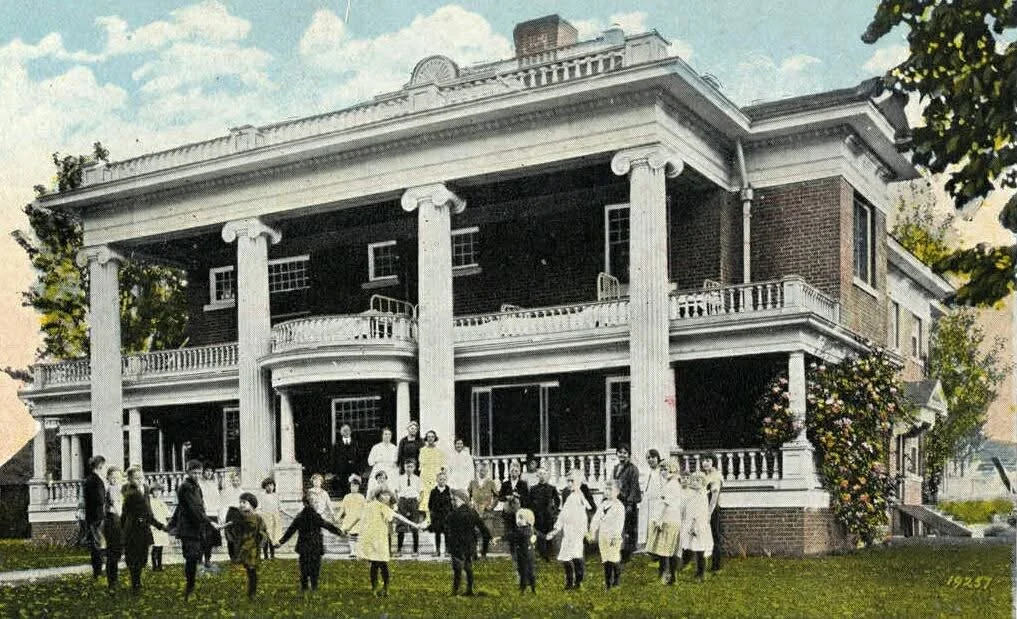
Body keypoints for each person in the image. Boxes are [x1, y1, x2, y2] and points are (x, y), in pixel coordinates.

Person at [341, 486, 425, 597]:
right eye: (386, 495)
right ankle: (384, 588)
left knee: (375, 565)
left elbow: (357, 517)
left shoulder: (369, 506)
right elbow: (398, 516)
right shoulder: (381, 507)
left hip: (371, 539)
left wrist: (347, 527)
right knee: (382, 564)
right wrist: (414, 524)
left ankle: (376, 588)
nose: (388, 497)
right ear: (380, 495)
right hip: (379, 540)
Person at [277, 490, 344, 594]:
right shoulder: (315, 516)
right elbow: (327, 525)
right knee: (315, 569)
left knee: (304, 569)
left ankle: (305, 588)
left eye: (317, 502)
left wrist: (281, 542)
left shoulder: (300, 516)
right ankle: (314, 587)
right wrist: (339, 532)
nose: (316, 504)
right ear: (306, 503)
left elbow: (291, 530)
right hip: (315, 547)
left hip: (304, 547)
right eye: (314, 502)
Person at [176, 459, 218, 601]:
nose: (197, 475)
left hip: (195, 527)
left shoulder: (195, 486)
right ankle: (189, 589)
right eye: (194, 473)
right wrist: (210, 522)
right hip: (189, 529)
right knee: (191, 558)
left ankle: (190, 587)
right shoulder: (186, 487)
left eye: (199, 473)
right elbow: (193, 509)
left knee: (193, 558)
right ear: (187, 472)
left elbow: (191, 508)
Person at [121, 466, 165, 594]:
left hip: (144, 526)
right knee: (135, 556)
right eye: (136, 478)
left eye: (142, 477)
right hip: (134, 527)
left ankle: (137, 580)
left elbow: (148, 509)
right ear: (129, 479)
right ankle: (135, 582)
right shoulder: (131, 493)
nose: (140, 480)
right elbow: (142, 512)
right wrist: (160, 526)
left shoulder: (145, 489)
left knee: (142, 555)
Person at [546, 470, 592, 590]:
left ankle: (579, 582)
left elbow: (583, 516)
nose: (570, 483)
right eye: (568, 481)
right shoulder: (569, 496)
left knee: (576, 557)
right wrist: (556, 529)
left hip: (577, 532)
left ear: (579, 482)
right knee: (565, 558)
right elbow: (563, 515)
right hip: (568, 532)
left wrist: (584, 531)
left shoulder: (580, 497)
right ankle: (569, 581)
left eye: (573, 481)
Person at [444, 489, 491, 596]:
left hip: (456, 546)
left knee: (457, 569)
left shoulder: (453, 515)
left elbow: (445, 527)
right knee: (468, 567)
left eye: (454, 499)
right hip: (470, 545)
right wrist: (484, 550)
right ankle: (469, 590)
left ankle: (455, 590)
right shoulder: (472, 513)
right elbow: (486, 533)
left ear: (462, 500)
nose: (452, 502)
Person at [646, 457, 684, 585]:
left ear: (673, 470)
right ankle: (672, 577)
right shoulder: (675, 484)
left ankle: (664, 576)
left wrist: (659, 519)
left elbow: (666, 504)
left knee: (663, 550)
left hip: (668, 519)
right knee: (672, 549)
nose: (663, 472)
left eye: (665, 469)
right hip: (675, 519)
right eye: (661, 469)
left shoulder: (671, 485)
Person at [228, 492, 269, 600]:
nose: (241, 504)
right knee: (248, 568)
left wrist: (262, 540)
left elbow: (263, 530)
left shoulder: (256, 517)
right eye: (240, 502)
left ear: (251, 504)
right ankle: (251, 592)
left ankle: (252, 593)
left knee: (252, 569)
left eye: (244, 502)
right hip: (243, 546)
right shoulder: (240, 517)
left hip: (252, 548)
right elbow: (233, 526)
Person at [588, 482, 625, 590]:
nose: (608, 492)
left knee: (613, 557)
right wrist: (592, 531)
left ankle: (616, 581)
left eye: (611, 490)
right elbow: (596, 519)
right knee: (605, 558)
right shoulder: (603, 505)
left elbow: (619, 523)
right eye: (606, 489)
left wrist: (616, 536)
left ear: (617, 492)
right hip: (603, 535)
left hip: (613, 535)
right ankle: (608, 583)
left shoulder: (619, 506)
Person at [680, 472, 714, 581]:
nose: (694, 482)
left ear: (703, 484)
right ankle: (684, 564)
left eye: (698, 481)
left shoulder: (702, 496)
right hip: (691, 523)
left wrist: (694, 527)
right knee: (689, 545)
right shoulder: (691, 494)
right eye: (693, 480)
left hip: (698, 525)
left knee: (700, 548)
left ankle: (700, 573)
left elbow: (698, 513)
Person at [611, 444, 641, 562]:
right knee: (618, 527)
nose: (622, 455)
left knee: (628, 528)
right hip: (618, 500)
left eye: (625, 452)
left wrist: (630, 503)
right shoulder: (616, 468)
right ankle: (618, 551)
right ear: (617, 454)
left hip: (628, 501)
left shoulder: (632, 469)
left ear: (628, 455)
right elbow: (614, 484)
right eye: (620, 452)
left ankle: (627, 553)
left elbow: (634, 487)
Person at [83, 455, 108, 582]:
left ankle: (97, 570)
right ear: (99, 466)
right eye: (103, 466)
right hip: (97, 516)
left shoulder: (89, 479)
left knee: (96, 544)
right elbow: (100, 499)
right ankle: (98, 571)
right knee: (98, 544)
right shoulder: (96, 480)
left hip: (91, 516)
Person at [528, 466, 560, 562]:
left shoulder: (552, 488)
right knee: (539, 535)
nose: (542, 476)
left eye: (544, 474)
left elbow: (557, 500)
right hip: (537, 515)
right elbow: (529, 502)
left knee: (549, 534)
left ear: (547, 475)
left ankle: (549, 555)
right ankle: (542, 554)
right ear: (537, 475)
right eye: (540, 474)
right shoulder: (533, 489)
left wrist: (554, 510)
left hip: (548, 515)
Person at [505, 507, 538, 594]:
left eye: (520, 518)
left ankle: (523, 588)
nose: (518, 521)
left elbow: (511, 536)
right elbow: (537, 536)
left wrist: (500, 538)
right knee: (530, 570)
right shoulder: (531, 529)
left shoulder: (520, 531)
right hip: (531, 553)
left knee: (523, 571)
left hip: (522, 554)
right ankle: (533, 588)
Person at [103, 466, 125, 589]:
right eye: (113, 477)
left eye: (118, 477)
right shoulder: (112, 489)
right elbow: (116, 506)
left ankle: (113, 579)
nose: (115, 479)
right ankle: (112, 580)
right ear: (109, 478)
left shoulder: (117, 489)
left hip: (114, 521)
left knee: (115, 552)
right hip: (113, 521)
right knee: (114, 551)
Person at [395, 459, 422, 556]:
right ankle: (399, 550)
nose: (409, 469)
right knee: (401, 526)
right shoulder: (400, 478)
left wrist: (418, 502)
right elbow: (396, 491)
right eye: (407, 466)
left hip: (413, 501)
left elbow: (421, 492)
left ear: (414, 468)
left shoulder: (417, 479)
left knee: (415, 526)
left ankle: (415, 550)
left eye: (411, 467)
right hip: (403, 501)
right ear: (404, 467)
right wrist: (398, 502)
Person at [701, 455, 723, 572]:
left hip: (712, 509)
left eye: (708, 461)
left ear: (713, 462)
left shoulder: (715, 476)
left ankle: (716, 566)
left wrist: (709, 513)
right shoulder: (705, 476)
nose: (705, 463)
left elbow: (714, 497)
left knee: (715, 536)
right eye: (703, 461)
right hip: (704, 508)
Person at [198, 465, 223, 569]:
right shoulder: (199, 484)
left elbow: (218, 500)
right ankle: (199, 560)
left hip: (213, 514)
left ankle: (208, 559)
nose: (209, 473)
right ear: (203, 472)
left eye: (211, 471)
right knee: (201, 538)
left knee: (210, 540)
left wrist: (219, 513)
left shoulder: (214, 484)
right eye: (207, 471)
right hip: (203, 515)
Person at [336, 474, 366, 558]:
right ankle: (352, 550)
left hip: (358, 518)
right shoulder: (347, 497)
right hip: (349, 518)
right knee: (351, 534)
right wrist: (338, 517)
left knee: (357, 534)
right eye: (352, 486)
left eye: (356, 486)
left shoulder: (361, 497)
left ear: (358, 487)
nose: (354, 488)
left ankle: (357, 550)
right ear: (350, 487)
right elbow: (342, 509)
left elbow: (365, 509)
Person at [417, 430, 446, 516]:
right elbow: (421, 463)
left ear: (435, 438)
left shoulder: (439, 451)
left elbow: (442, 465)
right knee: (426, 493)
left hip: (435, 474)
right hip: (426, 474)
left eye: (432, 437)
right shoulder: (422, 450)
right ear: (426, 438)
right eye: (428, 437)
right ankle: (426, 516)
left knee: (434, 493)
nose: (430, 439)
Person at [641, 449, 665, 546]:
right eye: (648, 458)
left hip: (658, 501)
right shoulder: (648, 472)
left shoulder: (661, 471)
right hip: (648, 501)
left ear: (657, 458)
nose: (650, 460)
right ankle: (650, 545)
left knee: (657, 522)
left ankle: (658, 545)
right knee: (648, 524)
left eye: (653, 457)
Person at [427, 470, 453, 557]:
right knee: (437, 534)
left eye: (444, 479)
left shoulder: (449, 491)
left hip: (446, 516)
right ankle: (437, 550)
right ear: (437, 480)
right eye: (440, 479)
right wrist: (433, 514)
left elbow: (452, 505)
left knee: (447, 534)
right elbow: (430, 504)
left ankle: (447, 550)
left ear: (446, 480)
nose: (442, 481)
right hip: (437, 517)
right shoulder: (433, 492)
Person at [366, 428, 399, 496]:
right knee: (375, 488)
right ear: (382, 435)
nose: (387, 436)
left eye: (389, 434)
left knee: (391, 488)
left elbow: (397, 461)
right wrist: (378, 465)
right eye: (385, 434)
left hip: (391, 471)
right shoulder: (376, 447)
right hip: (379, 469)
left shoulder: (394, 448)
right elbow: (370, 461)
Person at [331, 423, 362, 497]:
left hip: (354, 470)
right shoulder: (337, 445)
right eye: (344, 430)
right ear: (341, 432)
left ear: (350, 432)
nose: (346, 432)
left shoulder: (356, 444)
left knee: (354, 490)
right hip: (342, 471)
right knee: (343, 491)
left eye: (348, 430)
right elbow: (333, 458)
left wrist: (359, 470)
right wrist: (334, 471)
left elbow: (360, 456)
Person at [220, 471, 243, 561]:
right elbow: (223, 504)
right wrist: (222, 516)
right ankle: (232, 556)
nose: (236, 482)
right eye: (234, 480)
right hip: (230, 513)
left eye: (237, 480)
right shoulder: (227, 492)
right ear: (231, 481)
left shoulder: (242, 492)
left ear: (240, 481)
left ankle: (238, 556)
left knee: (239, 536)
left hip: (239, 514)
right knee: (230, 536)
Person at [148, 483, 171, 571]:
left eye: (159, 491)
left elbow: (167, 514)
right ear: (152, 492)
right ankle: (154, 566)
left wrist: (167, 524)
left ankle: (160, 565)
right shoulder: (150, 502)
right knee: (156, 546)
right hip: (155, 526)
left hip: (163, 525)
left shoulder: (162, 502)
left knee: (161, 546)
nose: (157, 493)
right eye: (155, 491)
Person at [259, 478, 282, 560]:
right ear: (264, 487)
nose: (269, 487)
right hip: (265, 518)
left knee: (273, 537)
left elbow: (279, 508)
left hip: (275, 518)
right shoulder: (262, 496)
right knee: (266, 537)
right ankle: (265, 555)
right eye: (267, 485)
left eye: (271, 485)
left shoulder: (276, 496)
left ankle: (272, 555)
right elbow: (260, 508)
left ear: (274, 486)